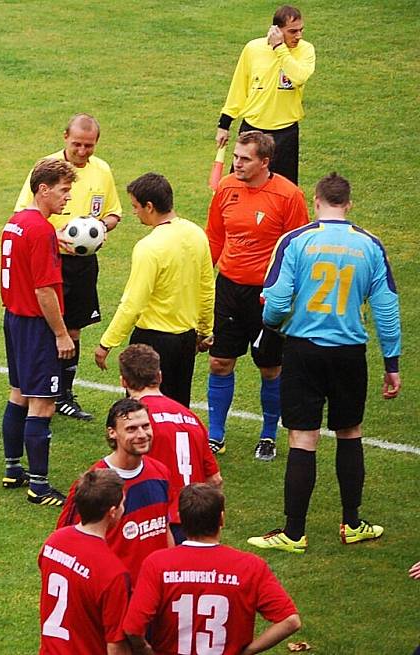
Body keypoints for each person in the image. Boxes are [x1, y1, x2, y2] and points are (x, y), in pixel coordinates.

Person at [247, 172, 401, 554]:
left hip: (303, 349)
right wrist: (391, 362)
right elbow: (386, 309)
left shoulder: (297, 240)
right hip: (349, 352)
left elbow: (278, 300)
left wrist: (271, 325)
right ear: (348, 204)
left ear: (316, 201)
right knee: (350, 432)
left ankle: (294, 532)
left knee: (303, 437)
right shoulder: (370, 245)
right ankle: (352, 523)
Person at [204, 131, 309, 461]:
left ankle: (268, 434)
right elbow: (214, 237)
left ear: (265, 162)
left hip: (267, 295)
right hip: (228, 288)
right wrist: (203, 281)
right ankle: (215, 435)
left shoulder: (289, 196)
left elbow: (298, 250)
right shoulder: (226, 189)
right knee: (220, 361)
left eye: (245, 159)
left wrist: (288, 296)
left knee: (270, 368)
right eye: (235, 156)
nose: (237, 163)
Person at [16, 113, 123, 421]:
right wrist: (55, 237)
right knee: (48, 325)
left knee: (73, 328)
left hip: (84, 263)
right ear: (65, 137)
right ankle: (37, 390)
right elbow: (24, 210)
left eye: (89, 146)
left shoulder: (102, 170)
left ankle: (64, 393)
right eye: (77, 144)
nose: (82, 151)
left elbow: (114, 213)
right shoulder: (45, 168)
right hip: (51, 260)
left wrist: (98, 230)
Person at [124, 484, 301, 655]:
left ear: (181, 518)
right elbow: (290, 621)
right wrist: (248, 651)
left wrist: (144, 650)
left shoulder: (157, 564)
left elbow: (132, 628)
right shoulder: (250, 566)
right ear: (222, 519)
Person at [95, 173, 213, 408]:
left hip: (153, 341)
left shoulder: (149, 247)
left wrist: (106, 343)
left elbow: (133, 303)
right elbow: (207, 287)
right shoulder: (196, 234)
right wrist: (205, 330)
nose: (134, 212)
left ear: (149, 206)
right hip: (186, 340)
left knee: (144, 410)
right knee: (178, 409)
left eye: (135, 206)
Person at [1, 158, 77, 507]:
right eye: (63, 191)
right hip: (35, 324)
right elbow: (44, 290)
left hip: (13, 319)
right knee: (43, 402)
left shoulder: (15, 222)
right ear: (43, 189)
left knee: (18, 392)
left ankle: (13, 468)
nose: (67, 198)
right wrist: (61, 334)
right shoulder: (41, 230)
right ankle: (40, 486)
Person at [118, 344, 222, 544]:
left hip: (156, 520)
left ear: (124, 381)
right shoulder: (190, 417)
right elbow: (215, 480)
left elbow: (126, 473)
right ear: (159, 376)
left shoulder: (135, 423)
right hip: (195, 519)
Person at [57, 398, 170, 580]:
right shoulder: (93, 484)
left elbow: (165, 528)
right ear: (112, 433)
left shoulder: (160, 472)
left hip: (153, 590)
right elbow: (65, 545)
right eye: (131, 429)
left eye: (145, 426)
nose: (142, 434)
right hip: (113, 591)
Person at [215, 5, 315, 184]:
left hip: (285, 133)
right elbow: (239, 88)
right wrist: (224, 124)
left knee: (283, 190)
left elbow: (299, 77)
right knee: (240, 185)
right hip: (252, 130)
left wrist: (279, 48)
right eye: (292, 31)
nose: (298, 36)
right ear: (276, 30)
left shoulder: (305, 50)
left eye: (301, 30)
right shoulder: (253, 49)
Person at [38, 469, 132, 655]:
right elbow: (115, 645)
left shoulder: (54, 541)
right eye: (122, 504)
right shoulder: (112, 572)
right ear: (112, 512)